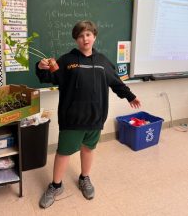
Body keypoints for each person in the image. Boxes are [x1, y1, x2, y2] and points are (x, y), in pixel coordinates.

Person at [36, 20, 141, 209]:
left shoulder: (103, 61)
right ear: (76, 39)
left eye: (88, 34)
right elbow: (49, 77)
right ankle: (56, 185)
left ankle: (84, 178)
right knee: (63, 152)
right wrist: (41, 67)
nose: (85, 38)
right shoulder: (67, 61)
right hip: (72, 118)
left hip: (95, 117)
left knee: (88, 149)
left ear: (94, 36)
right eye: (81, 35)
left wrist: (130, 96)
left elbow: (116, 83)